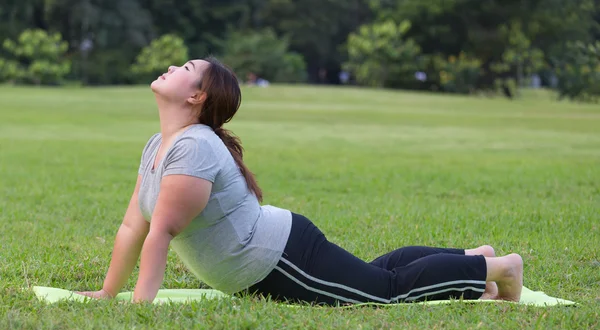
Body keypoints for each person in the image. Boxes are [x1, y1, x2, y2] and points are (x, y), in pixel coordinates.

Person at [78, 57, 524, 305]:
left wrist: (139, 309)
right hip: (279, 249)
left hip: (279, 258)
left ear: (197, 96)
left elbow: (162, 232)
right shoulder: (160, 144)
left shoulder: (194, 146)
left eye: (183, 68)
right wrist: (106, 292)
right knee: (377, 273)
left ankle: (498, 268)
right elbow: (133, 227)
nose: (170, 68)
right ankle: (472, 259)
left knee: (384, 293)